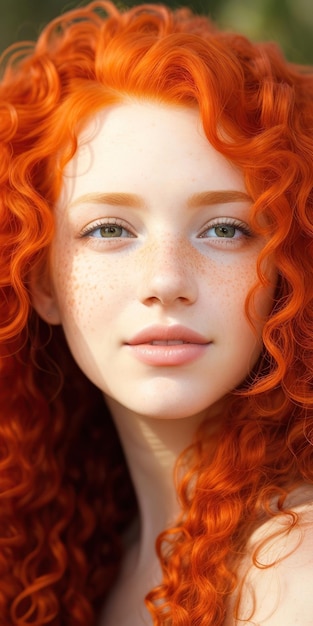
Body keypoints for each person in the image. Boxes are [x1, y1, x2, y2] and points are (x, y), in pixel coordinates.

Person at [1, 1, 313, 624]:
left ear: (287, 266)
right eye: (110, 228)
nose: (166, 281)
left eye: (225, 229)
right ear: (40, 280)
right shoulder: (86, 555)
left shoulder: (293, 567)